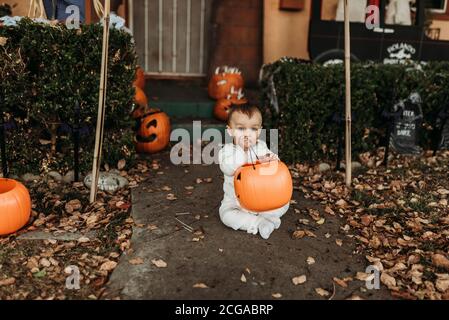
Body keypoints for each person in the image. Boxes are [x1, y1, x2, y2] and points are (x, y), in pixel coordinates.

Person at [218, 104, 290, 239]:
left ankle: (268, 216)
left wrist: (270, 160)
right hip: (236, 204)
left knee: (284, 204)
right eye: (240, 129)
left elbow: (275, 167)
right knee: (226, 216)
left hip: (263, 198)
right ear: (230, 131)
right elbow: (228, 168)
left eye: (253, 129)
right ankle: (259, 223)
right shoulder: (227, 151)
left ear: (259, 132)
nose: (247, 134)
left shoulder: (261, 147)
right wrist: (243, 153)